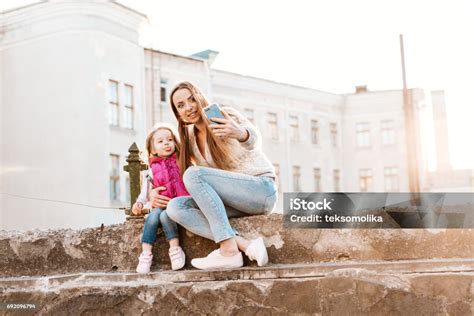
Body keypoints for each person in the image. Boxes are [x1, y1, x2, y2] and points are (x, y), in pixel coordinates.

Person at [150, 81, 278, 270]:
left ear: (200, 97)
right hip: (233, 202)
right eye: (181, 105)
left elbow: (254, 141)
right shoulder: (190, 139)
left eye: (192, 99)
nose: (189, 107)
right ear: (178, 114)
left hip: (260, 190)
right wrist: (150, 195)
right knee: (175, 207)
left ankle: (228, 251)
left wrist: (240, 133)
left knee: (193, 174)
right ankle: (245, 245)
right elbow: (170, 170)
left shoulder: (225, 115)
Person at [132, 124, 189, 273]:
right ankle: (146, 253)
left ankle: (175, 249)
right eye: (160, 141)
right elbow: (145, 191)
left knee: (165, 216)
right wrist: (139, 203)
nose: (166, 143)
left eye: (170, 139)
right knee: (152, 218)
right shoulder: (151, 170)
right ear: (152, 149)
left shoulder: (181, 162)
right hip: (159, 205)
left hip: (178, 204)